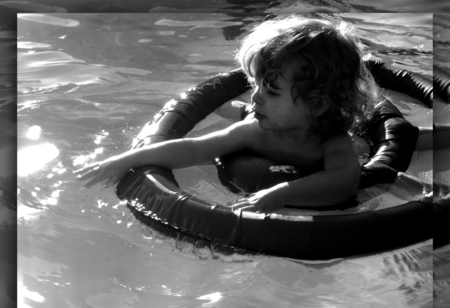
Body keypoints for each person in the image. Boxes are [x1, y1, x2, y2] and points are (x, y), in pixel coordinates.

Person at [76, 15, 380, 213]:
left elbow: (343, 182)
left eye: (271, 92)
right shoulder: (256, 131)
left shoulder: (330, 141)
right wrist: (126, 160)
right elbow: (196, 149)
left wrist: (280, 194)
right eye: (255, 84)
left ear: (316, 105)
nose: (255, 96)